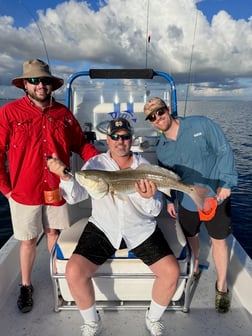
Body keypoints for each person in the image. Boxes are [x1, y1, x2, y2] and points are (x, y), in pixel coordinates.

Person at [47, 117, 179, 336]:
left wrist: (148, 197)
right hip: (103, 227)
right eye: (115, 137)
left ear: (132, 140)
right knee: (74, 271)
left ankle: (152, 318)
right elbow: (76, 195)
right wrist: (65, 177)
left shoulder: (145, 167)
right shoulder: (95, 165)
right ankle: (92, 322)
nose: (120, 141)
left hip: (140, 229)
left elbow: (155, 210)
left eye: (125, 137)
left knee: (171, 272)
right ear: (107, 139)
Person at [0, 59, 99, 313]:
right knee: (27, 240)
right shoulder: (9, 113)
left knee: (54, 233)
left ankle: (57, 279)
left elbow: (80, 144)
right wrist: (6, 188)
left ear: (51, 85)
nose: (40, 85)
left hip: (57, 186)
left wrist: (104, 163)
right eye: (34, 80)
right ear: (25, 85)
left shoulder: (64, 114)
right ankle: (26, 285)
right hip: (23, 191)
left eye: (44, 80)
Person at [143, 97, 238, 314]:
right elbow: (166, 178)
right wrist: (169, 200)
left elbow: (223, 149)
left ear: (167, 109)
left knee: (219, 241)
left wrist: (227, 182)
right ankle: (195, 265)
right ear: (150, 122)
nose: (158, 118)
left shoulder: (201, 124)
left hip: (216, 194)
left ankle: (221, 286)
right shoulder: (162, 150)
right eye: (152, 117)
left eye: (159, 112)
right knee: (191, 236)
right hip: (187, 198)